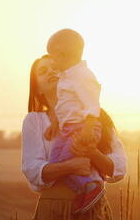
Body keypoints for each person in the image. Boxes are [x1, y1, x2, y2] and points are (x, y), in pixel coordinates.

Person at [22, 55, 127, 219]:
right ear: (38, 89)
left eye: (55, 67)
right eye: (43, 71)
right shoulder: (34, 120)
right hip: (53, 209)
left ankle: (90, 189)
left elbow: (118, 168)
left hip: (93, 209)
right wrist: (72, 166)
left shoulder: (97, 117)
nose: (51, 72)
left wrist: (92, 153)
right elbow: (32, 171)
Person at [46, 29, 105, 213]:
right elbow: (66, 108)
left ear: (63, 55)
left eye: (53, 57)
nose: (52, 62)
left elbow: (91, 102)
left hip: (82, 127)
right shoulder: (66, 77)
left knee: (64, 161)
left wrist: (88, 127)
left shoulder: (82, 76)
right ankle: (84, 188)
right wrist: (56, 124)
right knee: (55, 163)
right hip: (68, 128)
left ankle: (91, 186)